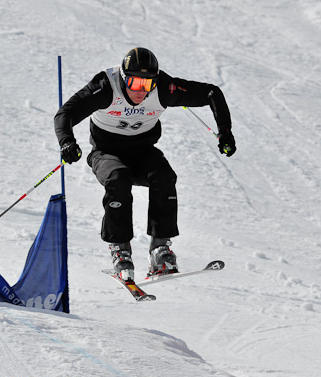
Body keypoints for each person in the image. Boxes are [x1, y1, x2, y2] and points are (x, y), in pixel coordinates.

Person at [54, 47, 235, 282]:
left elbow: (211, 93)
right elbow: (65, 113)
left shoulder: (163, 88)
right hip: (106, 152)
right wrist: (67, 142)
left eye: (147, 84)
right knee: (119, 179)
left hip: (143, 151)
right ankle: (120, 251)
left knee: (165, 176)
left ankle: (160, 250)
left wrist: (225, 132)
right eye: (135, 83)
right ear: (123, 77)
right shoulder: (105, 87)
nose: (141, 91)